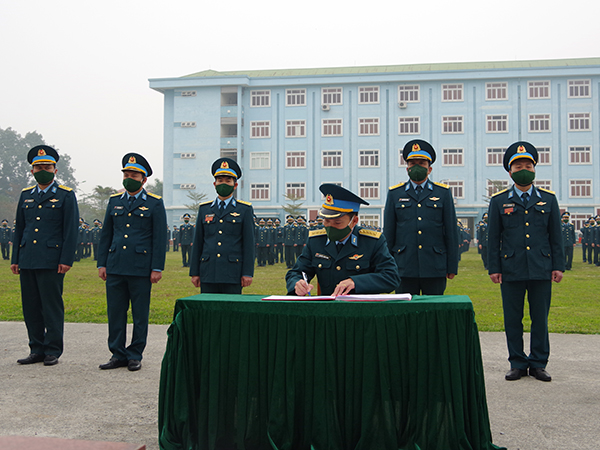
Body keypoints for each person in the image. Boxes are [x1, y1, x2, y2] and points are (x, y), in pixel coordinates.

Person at [487, 141, 564, 382]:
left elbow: (556, 237)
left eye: (528, 164)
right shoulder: (499, 200)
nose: (524, 168)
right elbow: (493, 238)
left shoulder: (548, 199)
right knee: (513, 318)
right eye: (518, 165)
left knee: (540, 318)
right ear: (510, 171)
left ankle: (539, 363)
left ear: (534, 168)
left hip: (541, 267)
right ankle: (517, 362)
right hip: (511, 268)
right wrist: (494, 268)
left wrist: (558, 265)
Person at [97, 153, 167, 371]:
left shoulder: (154, 203)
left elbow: (159, 238)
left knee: (139, 313)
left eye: (134, 175)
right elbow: (106, 235)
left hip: (141, 268)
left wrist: (157, 267)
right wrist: (102, 263)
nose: (129, 178)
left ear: (144, 179)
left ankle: (135, 353)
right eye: (126, 174)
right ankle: (117, 353)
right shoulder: (114, 201)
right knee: (115, 312)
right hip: (116, 265)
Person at [11, 145, 79, 366]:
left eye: (46, 167)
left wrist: (66, 259)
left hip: (52, 260)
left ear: (55, 170)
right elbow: (20, 228)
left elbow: (70, 230)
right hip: (28, 258)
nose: (42, 170)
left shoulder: (65, 195)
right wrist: (15, 259)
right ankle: (36, 348)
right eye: (38, 167)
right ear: (32, 171)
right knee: (30, 306)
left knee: (51, 305)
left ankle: (53, 350)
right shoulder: (26, 195)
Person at [286, 184, 399, 296]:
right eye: (326, 221)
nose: (330, 226)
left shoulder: (372, 242)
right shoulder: (316, 241)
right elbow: (296, 272)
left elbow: (391, 277)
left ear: (354, 221)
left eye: (337, 222)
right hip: (328, 309)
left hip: (361, 310)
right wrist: (297, 283)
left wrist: (355, 282)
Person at [383, 139, 459, 295]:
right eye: (413, 164)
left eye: (422, 164)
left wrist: (451, 266)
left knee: (433, 312)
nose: (417, 167)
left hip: (434, 265)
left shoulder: (442, 193)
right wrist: (387, 266)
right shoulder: (395, 194)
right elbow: (389, 233)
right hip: (403, 266)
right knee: (406, 313)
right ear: (407, 168)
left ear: (429, 169)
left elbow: (451, 231)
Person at [189, 157, 255, 294]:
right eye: (220, 180)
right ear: (214, 184)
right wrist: (194, 272)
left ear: (235, 185)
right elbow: (198, 242)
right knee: (207, 311)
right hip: (208, 271)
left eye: (228, 181)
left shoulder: (244, 210)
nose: (223, 184)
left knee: (231, 312)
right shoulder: (204, 209)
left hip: (232, 272)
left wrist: (247, 273)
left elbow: (249, 244)